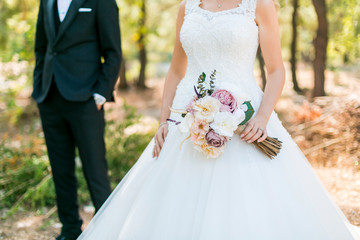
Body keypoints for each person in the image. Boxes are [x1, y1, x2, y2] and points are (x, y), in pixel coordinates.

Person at [78, 0, 360, 239]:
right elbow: (176, 71)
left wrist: (261, 118)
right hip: (185, 117)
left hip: (243, 114)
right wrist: (164, 120)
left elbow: (276, 70)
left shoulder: (258, 5)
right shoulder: (187, 7)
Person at [32, 0, 122, 239]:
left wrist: (101, 93)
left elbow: (113, 52)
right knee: (60, 169)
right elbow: (41, 48)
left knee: (95, 169)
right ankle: (69, 229)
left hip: (86, 100)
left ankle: (107, 231)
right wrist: (39, 88)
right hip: (50, 97)